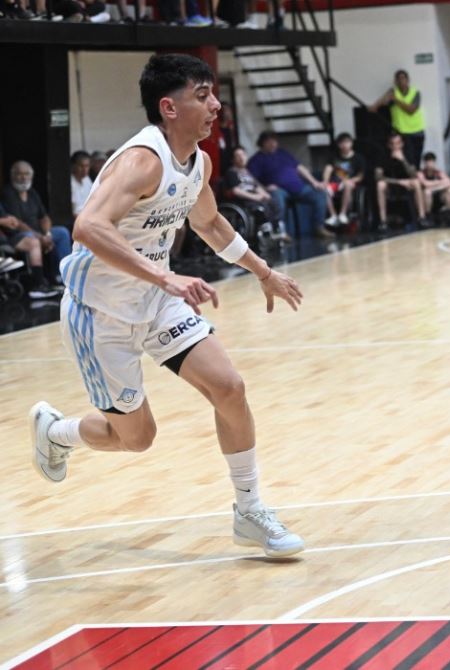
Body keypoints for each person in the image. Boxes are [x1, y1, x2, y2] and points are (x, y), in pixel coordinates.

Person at [27, 54, 305, 557]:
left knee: (230, 387)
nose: (215, 105)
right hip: (101, 314)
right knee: (136, 438)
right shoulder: (142, 161)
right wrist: (164, 274)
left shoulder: (198, 163)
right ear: (169, 107)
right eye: (203, 95)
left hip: (157, 302)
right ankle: (58, 431)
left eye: (213, 94)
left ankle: (249, 510)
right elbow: (88, 226)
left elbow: (210, 223)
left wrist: (264, 272)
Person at [246, 131, 330, 238]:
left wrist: (314, 182)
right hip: (279, 190)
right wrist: (265, 188)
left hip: (299, 188)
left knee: (320, 193)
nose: (273, 144)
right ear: (262, 143)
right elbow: (251, 179)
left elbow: (299, 167)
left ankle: (319, 227)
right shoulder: (256, 159)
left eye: (274, 141)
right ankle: (281, 232)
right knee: (276, 197)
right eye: (269, 141)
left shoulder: (283, 153)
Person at [2, 161, 72, 272]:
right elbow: (17, 223)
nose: (23, 177)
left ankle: (64, 273)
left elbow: (44, 217)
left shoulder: (32, 193)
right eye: (19, 174)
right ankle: (39, 278)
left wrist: (47, 234)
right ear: (13, 175)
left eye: (26, 174)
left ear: (31, 176)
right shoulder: (8, 193)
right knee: (32, 237)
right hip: (19, 235)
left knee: (62, 232)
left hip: (39, 232)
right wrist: (40, 237)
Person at [369, 70, 426, 168]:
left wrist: (395, 99)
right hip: (401, 133)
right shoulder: (392, 92)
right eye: (398, 79)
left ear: (408, 80)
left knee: (416, 161)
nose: (401, 81)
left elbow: (411, 110)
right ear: (395, 81)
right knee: (403, 160)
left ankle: (415, 176)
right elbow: (380, 103)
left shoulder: (415, 93)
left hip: (417, 131)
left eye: (403, 78)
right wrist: (376, 105)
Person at [0, 202, 58, 299]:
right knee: (34, 240)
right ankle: (39, 284)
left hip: (9, 235)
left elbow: (6, 217)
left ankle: (44, 283)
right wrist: (3, 221)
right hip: (6, 239)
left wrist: (11, 220)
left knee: (36, 241)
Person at [375, 133, 426, 229]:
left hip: (407, 184)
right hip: (391, 184)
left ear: (402, 144)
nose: (395, 146)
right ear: (388, 145)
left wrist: (403, 160)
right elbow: (378, 177)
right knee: (380, 185)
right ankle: (383, 221)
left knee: (416, 182)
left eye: (398, 143)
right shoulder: (383, 155)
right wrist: (399, 182)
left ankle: (422, 218)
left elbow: (413, 174)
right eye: (392, 144)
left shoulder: (408, 154)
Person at [321, 132, 366, 228]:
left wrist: (349, 181)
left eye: (347, 142)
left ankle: (343, 214)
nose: (345, 145)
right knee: (324, 188)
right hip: (336, 184)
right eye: (342, 143)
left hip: (351, 183)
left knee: (347, 184)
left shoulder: (358, 158)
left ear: (351, 143)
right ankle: (333, 215)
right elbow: (328, 169)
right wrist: (325, 182)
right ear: (338, 145)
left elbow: (360, 176)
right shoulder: (334, 157)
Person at [417, 152, 450, 225]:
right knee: (427, 192)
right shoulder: (421, 173)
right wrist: (440, 182)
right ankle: (428, 215)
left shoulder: (438, 172)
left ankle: (448, 213)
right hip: (426, 198)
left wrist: (434, 186)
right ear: (425, 163)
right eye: (428, 162)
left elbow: (449, 182)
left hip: (439, 196)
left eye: (432, 162)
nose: (430, 164)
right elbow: (425, 184)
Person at [70, 150, 93, 222]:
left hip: (90, 216)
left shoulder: (87, 179)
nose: (85, 169)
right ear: (73, 166)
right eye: (81, 166)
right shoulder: (70, 182)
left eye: (87, 166)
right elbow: (73, 212)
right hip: (76, 220)